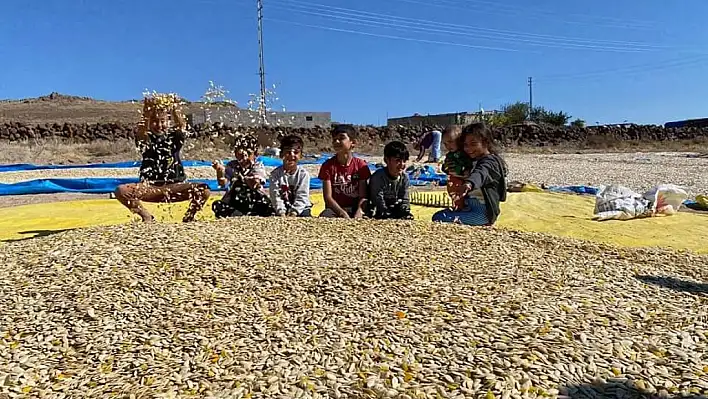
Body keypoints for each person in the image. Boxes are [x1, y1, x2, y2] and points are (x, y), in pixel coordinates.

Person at [114, 93, 210, 223]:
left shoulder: (173, 139)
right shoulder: (146, 140)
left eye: (162, 121)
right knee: (121, 191)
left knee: (203, 191)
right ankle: (146, 216)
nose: (159, 125)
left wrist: (176, 108)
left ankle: (189, 217)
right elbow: (142, 132)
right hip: (150, 187)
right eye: (155, 121)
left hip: (175, 186)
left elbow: (182, 127)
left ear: (168, 122)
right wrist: (147, 112)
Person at [432, 123, 507, 226]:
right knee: (439, 215)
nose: (469, 148)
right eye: (465, 145)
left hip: (482, 213)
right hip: (468, 206)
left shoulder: (490, 162)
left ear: (485, 142)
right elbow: (455, 168)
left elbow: (480, 173)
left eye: (473, 144)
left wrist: (469, 184)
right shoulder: (471, 159)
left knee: (439, 218)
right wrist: (448, 168)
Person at [211, 134, 275, 218]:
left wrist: (244, 178)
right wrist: (220, 172)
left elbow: (255, 184)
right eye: (240, 154)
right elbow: (223, 183)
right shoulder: (232, 165)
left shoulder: (257, 166)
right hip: (234, 201)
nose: (244, 158)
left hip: (253, 200)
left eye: (248, 154)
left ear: (255, 155)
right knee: (219, 205)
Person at [318, 124, 371, 218]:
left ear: (352, 142)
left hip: (356, 207)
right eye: (334, 139)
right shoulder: (327, 166)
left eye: (341, 138)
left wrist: (359, 211)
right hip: (335, 209)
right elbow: (328, 197)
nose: (337, 141)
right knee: (324, 218)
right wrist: (342, 213)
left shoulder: (361, 166)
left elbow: (363, 195)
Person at [367, 141, 413, 220]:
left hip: (395, 209)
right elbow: (377, 199)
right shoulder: (378, 177)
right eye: (398, 160)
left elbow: (405, 199)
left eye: (404, 161)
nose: (402, 164)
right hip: (379, 211)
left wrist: (404, 210)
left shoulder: (404, 178)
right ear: (386, 160)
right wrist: (386, 212)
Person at [269, 134, 313, 217]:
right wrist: (281, 212)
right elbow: (275, 197)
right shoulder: (275, 175)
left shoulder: (303, 175)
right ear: (281, 154)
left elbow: (302, 196)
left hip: (302, 208)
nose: (292, 155)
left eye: (296, 152)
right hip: (282, 208)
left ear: (301, 156)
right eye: (288, 152)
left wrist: (294, 213)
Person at [441, 125, 476, 210]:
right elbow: (445, 166)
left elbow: (468, 163)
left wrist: (466, 170)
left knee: (462, 193)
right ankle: (457, 206)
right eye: (445, 143)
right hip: (453, 178)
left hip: (463, 179)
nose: (448, 146)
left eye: (450, 142)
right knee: (453, 192)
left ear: (459, 140)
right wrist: (446, 168)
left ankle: (462, 206)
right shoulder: (450, 155)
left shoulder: (464, 153)